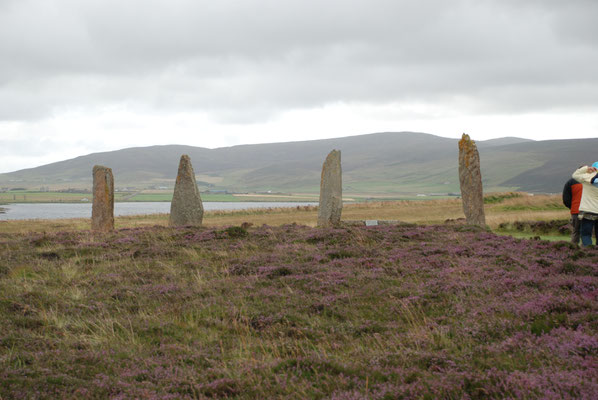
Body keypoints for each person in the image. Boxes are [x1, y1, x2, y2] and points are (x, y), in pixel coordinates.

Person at [572, 163, 598, 247]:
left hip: (588, 211)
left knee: (586, 234)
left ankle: (589, 252)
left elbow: (575, 175)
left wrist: (586, 169)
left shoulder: (587, 178)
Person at [562, 175, 583, 244]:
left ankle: (574, 248)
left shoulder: (570, 182)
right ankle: (589, 249)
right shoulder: (591, 180)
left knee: (576, 231)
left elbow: (566, 199)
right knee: (587, 232)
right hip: (591, 210)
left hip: (576, 210)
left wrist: (572, 206)